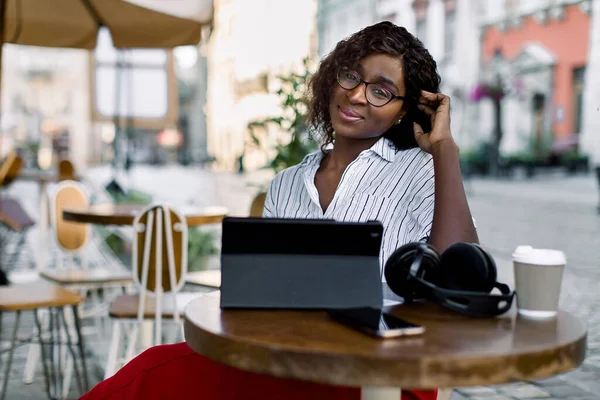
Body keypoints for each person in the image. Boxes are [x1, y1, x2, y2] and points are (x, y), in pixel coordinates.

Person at [81, 22, 477, 400]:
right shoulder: (287, 183)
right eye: (351, 76)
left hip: (380, 373)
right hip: (289, 361)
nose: (357, 95)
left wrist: (445, 150)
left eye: (382, 91)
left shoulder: (421, 171)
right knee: (151, 372)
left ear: (404, 111)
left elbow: (462, 280)